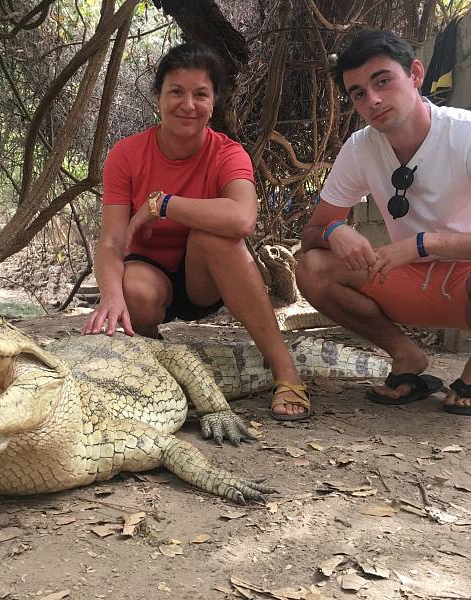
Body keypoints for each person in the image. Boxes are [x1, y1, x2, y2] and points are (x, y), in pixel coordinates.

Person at [295, 30, 471, 416]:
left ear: (416, 74)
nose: (373, 99)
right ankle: (407, 357)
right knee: (313, 267)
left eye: (382, 81)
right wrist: (336, 231)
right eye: (358, 93)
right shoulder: (360, 148)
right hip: (406, 282)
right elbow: (312, 234)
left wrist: (428, 243)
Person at [82, 42, 310, 421]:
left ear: (213, 102)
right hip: (149, 274)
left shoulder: (227, 153)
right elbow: (111, 240)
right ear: (158, 97)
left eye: (200, 94)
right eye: (176, 92)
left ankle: (285, 370)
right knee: (131, 293)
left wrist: (162, 204)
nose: (188, 105)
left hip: (204, 277)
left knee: (214, 236)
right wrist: (109, 297)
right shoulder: (126, 154)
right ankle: (152, 356)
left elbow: (242, 220)